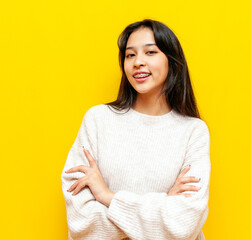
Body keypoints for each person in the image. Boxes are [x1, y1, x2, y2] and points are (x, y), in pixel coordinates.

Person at [61, 19, 211, 240]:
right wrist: (164, 204)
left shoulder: (193, 131)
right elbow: (81, 222)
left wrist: (108, 197)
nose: (138, 62)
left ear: (171, 61)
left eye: (150, 52)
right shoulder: (98, 120)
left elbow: (183, 225)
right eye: (130, 55)